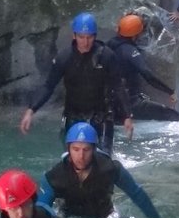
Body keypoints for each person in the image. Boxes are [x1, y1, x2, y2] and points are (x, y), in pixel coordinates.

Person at [19, 12, 133, 154]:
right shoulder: (64, 58)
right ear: (74, 36)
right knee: (73, 160)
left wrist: (127, 116)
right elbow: (48, 86)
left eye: (89, 37)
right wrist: (31, 111)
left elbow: (118, 86)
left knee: (103, 159)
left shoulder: (106, 56)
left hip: (101, 116)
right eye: (81, 37)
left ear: (95, 36)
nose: (85, 42)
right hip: (73, 114)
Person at [38, 122, 161, 218]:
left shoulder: (111, 169)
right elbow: (41, 210)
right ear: (68, 149)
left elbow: (136, 193)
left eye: (86, 150)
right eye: (76, 149)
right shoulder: (54, 177)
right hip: (69, 217)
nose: (81, 156)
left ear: (94, 150)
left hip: (104, 216)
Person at [107, 14, 179, 122]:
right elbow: (147, 74)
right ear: (135, 35)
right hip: (129, 103)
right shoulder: (130, 51)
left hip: (110, 103)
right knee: (173, 116)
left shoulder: (108, 45)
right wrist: (170, 91)